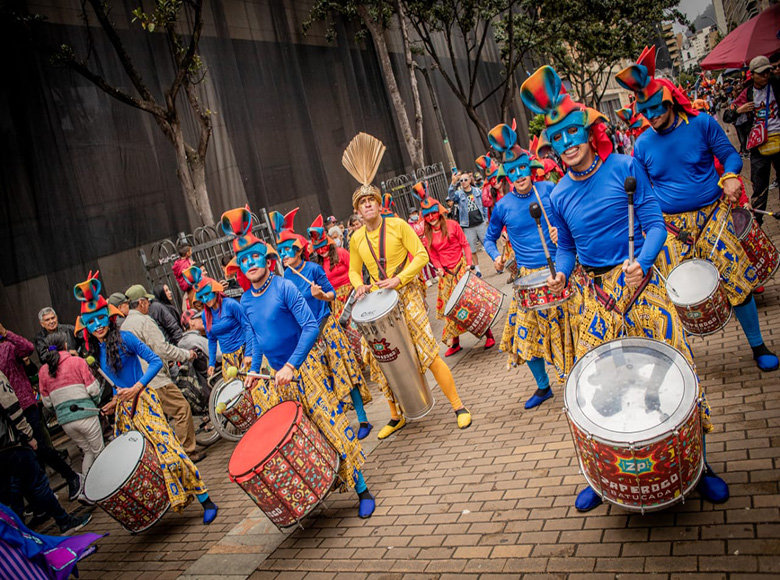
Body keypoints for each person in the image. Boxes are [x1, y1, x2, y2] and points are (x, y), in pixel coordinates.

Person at [521, 64, 727, 511]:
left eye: (572, 133)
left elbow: (653, 224)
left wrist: (645, 262)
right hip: (596, 295)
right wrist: (560, 271)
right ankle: (602, 477)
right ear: (551, 147)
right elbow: (568, 248)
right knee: (598, 387)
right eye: (557, 139)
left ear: (588, 131)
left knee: (676, 370)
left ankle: (701, 462)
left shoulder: (625, 167)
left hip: (639, 280)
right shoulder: (556, 196)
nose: (567, 144)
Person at [617, 47, 778, 372]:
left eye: (655, 107)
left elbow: (731, 155)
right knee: (672, 292)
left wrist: (731, 175)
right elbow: (642, 192)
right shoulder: (643, 144)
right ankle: (681, 360)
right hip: (671, 228)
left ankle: (758, 345)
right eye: (644, 111)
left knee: (738, 283)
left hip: (714, 218)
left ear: (669, 100)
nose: (651, 115)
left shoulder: (702, 123)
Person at [219, 206, 375, 518]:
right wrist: (253, 367)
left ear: (267, 260)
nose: (250, 264)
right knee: (299, 436)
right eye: (244, 260)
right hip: (277, 378)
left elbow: (309, 327)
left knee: (329, 425)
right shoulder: (245, 300)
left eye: (255, 257)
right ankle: (320, 485)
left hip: (305, 369)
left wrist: (292, 364)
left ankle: (362, 489)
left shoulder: (285, 286)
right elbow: (257, 337)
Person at [344, 133, 472, 438]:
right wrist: (360, 285)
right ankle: (394, 415)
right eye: (362, 203)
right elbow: (353, 271)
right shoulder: (356, 238)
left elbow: (422, 255)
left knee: (427, 351)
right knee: (380, 356)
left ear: (377, 204)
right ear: (358, 211)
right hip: (378, 299)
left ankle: (458, 406)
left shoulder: (399, 225)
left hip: (408, 294)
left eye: (371, 201)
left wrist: (400, 279)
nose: (367, 206)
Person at [73, 274, 217, 524]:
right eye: (91, 321)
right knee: (140, 464)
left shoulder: (125, 338)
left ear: (108, 316)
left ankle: (206, 500)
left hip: (146, 401)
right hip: (125, 412)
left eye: (100, 318)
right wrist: (116, 399)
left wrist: (136, 387)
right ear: (85, 325)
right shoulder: (96, 352)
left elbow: (154, 361)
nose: (97, 325)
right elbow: (118, 385)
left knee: (171, 453)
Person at [482, 125, 571, 410]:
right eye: (514, 172)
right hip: (528, 280)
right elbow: (489, 237)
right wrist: (495, 255)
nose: (520, 176)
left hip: (560, 269)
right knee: (524, 336)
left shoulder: (550, 190)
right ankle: (544, 387)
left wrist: (562, 231)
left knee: (567, 329)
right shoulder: (502, 206)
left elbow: (571, 218)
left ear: (530, 168)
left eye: (523, 169)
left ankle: (573, 379)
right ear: (507, 176)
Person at [273, 214, 373, 439]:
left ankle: (363, 419)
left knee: (345, 373)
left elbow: (332, 294)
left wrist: (321, 295)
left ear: (298, 250)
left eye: (287, 250)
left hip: (328, 328)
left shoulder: (314, 270)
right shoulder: (285, 279)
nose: (283, 255)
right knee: (325, 381)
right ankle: (342, 426)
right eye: (280, 251)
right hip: (308, 337)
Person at [0, 371, 92, 534]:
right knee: (37, 483)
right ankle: (64, 521)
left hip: (3, 450)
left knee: (14, 489)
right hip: (12, 443)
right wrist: (28, 435)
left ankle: (19, 535)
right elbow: (12, 407)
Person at [121, 288, 206, 462]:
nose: (149, 306)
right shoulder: (144, 321)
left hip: (138, 381)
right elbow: (162, 349)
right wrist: (186, 354)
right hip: (156, 378)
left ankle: (169, 455)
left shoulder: (124, 326)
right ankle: (187, 453)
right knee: (182, 409)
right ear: (142, 302)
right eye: (148, 302)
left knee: (160, 420)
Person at [0, 323, 82, 501]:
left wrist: (6, 333)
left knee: (40, 447)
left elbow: (27, 348)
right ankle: (41, 499)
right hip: (6, 417)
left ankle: (72, 477)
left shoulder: (6, 347)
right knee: (25, 457)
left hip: (25, 405)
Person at [413, 181, 496, 356]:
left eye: (434, 214)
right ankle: (456, 343)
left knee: (471, 304)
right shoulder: (427, 234)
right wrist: (438, 268)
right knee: (451, 311)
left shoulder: (452, 225)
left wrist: (468, 264)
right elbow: (433, 255)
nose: (432, 218)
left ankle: (488, 334)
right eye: (428, 216)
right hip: (446, 275)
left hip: (461, 270)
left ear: (439, 213)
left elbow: (465, 244)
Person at [37, 331, 104, 482]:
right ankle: (109, 487)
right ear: (66, 345)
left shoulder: (43, 372)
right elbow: (93, 389)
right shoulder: (77, 362)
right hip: (85, 413)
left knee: (87, 451)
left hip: (65, 421)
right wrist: (96, 402)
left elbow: (47, 403)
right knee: (99, 451)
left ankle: (87, 487)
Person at [185, 266, 253, 382]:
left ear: (215, 291)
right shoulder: (205, 316)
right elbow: (211, 339)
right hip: (227, 358)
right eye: (202, 297)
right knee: (234, 394)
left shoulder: (230, 305)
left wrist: (249, 353)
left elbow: (248, 327)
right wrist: (211, 363)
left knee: (255, 390)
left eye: (207, 294)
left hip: (243, 350)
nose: (205, 299)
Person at [732, 56, 780, 219]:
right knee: (759, 186)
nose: (766, 75)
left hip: (778, 137)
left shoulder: (776, 86)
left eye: (768, 71)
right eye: (761, 73)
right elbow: (727, 115)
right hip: (760, 145)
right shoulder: (747, 93)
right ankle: (756, 222)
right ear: (752, 74)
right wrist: (739, 110)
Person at [448, 171, 487, 277]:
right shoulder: (458, 194)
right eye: (461, 181)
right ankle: (478, 270)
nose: (464, 182)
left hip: (480, 223)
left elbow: (484, 205)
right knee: (472, 249)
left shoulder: (477, 191)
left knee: (488, 244)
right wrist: (453, 182)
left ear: (470, 180)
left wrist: (486, 218)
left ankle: (497, 264)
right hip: (468, 226)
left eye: (465, 180)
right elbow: (450, 197)